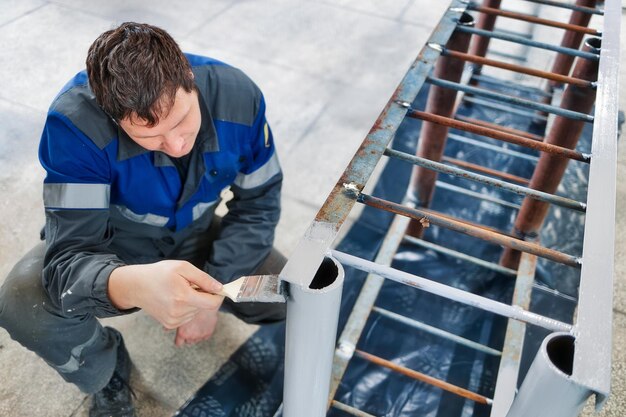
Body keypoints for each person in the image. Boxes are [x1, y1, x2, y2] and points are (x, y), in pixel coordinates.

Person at [0, 22, 285, 417]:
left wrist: (214, 292)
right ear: (114, 116)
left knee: (288, 291)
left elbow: (259, 202)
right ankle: (107, 372)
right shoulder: (74, 127)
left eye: (182, 121)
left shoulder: (239, 97)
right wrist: (131, 285)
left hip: (198, 239)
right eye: (151, 136)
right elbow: (70, 258)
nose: (177, 145)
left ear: (188, 76)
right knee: (22, 305)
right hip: (116, 249)